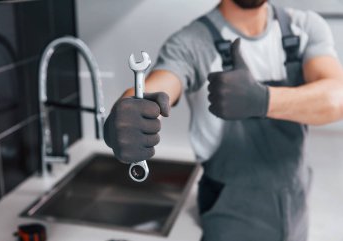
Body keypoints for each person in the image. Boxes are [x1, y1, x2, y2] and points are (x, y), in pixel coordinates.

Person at [103, 0, 343, 240]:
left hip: (296, 202)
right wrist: (126, 113)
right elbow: (160, 84)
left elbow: (338, 98)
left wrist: (263, 100)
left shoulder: (304, 27)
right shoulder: (190, 43)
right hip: (228, 213)